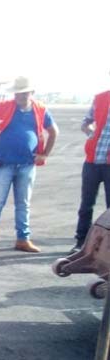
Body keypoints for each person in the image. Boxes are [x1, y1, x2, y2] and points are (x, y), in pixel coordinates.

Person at [0, 76, 58, 253]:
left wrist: (45, 154)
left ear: (31, 93)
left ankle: (23, 239)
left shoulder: (40, 110)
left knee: (23, 204)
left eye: (24, 93)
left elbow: (53, 131)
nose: (21, 96)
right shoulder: (3, 107)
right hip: (4, 163)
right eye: (18, 93)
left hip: (27, 164)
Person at [72, 86, 110, 252]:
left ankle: (107, 247)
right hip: (92, 161)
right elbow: (86, 123)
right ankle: (81, 243)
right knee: (86, 204)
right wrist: (91, 135)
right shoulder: (100, 98)